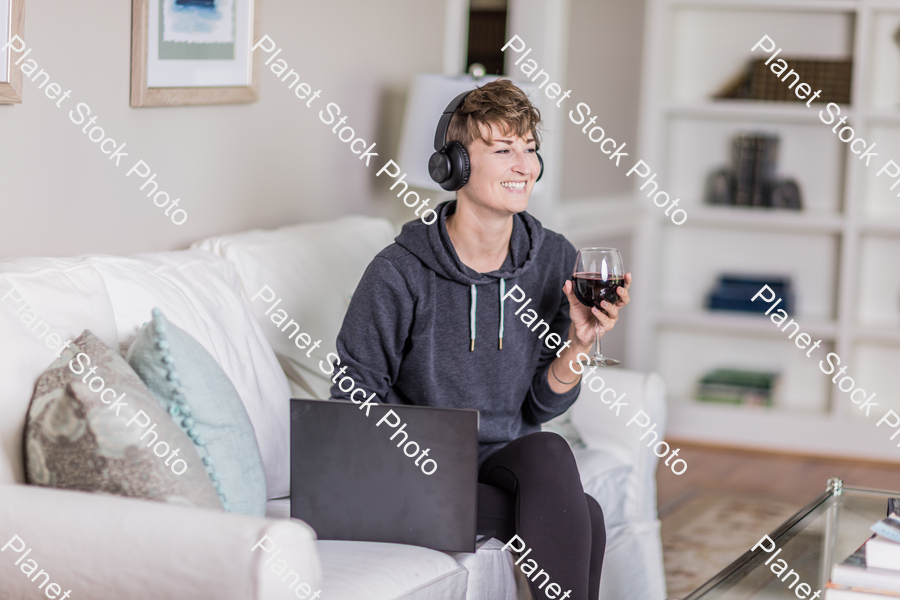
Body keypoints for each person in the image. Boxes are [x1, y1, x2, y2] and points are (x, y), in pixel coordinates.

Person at [331, 79, 631, 600]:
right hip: (410, 469)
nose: (525, 166)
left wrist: (580, 345)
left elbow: (541, 404)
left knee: (549, 452)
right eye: (503, 150)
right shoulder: (399, 272)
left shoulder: (555, 258)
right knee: (585, 514)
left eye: (531, 150)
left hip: (499, 460)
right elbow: (352, 402)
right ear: (454, 166)